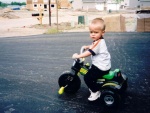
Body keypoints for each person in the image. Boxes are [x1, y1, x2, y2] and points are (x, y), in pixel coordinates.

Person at [72, 18, 111, 101]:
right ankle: (95, 87)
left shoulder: (98, 43)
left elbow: (89, 52)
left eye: (96, 32)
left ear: (103, 32)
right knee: (90, 70)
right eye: (91, 32)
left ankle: (95, 92)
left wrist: (78, 56)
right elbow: (94, 46)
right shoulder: (98, 40)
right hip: (103, 65)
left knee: (87, 77)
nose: (93, 34)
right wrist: (88, 46)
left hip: (101, 68)